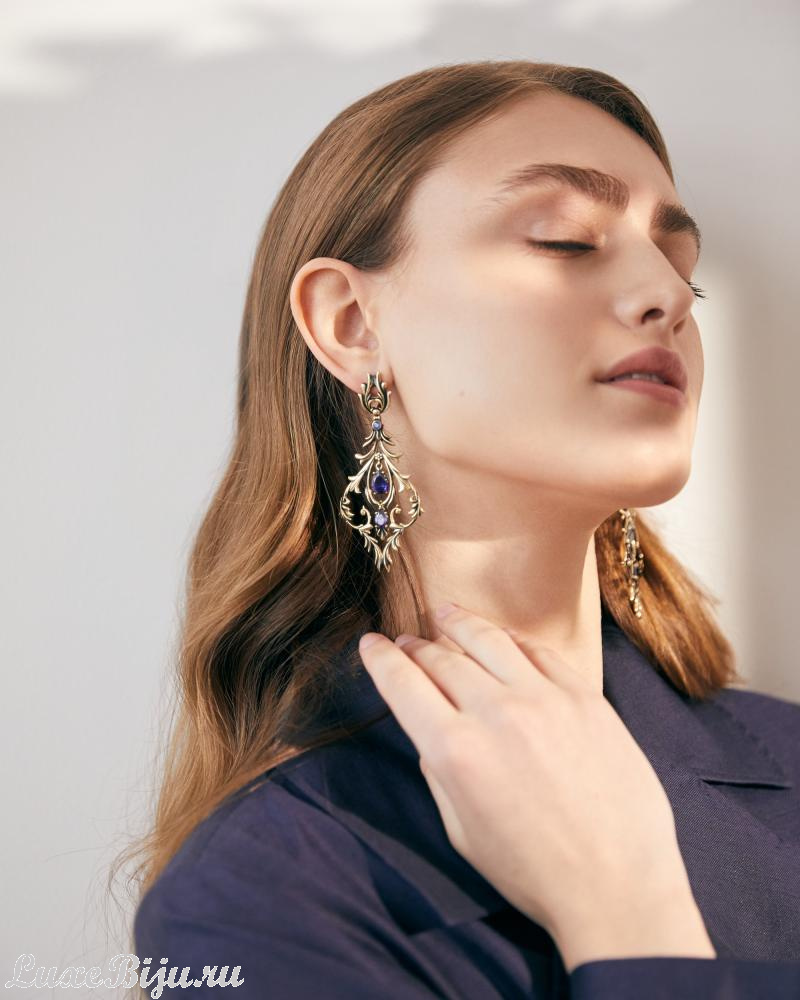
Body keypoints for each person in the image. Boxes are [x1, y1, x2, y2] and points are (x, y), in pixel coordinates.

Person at [129, 60, 800, 996]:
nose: (671, 294)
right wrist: (629, 922)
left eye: (681, 266)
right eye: (567, 240)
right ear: (351, 323)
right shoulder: (260, 895)